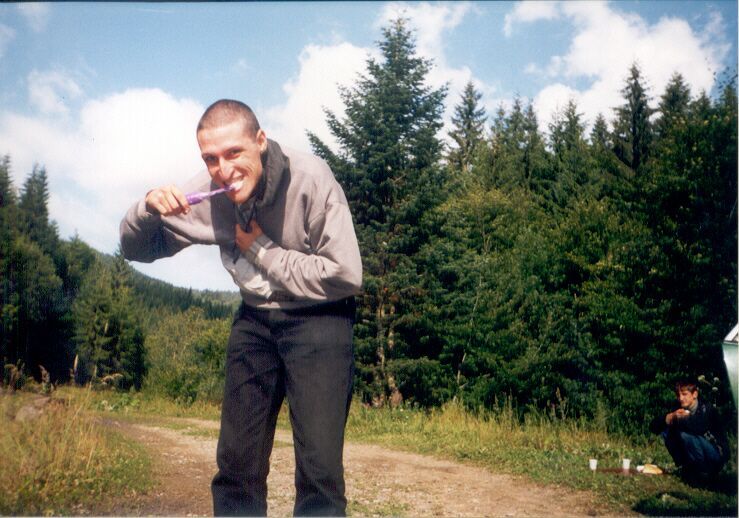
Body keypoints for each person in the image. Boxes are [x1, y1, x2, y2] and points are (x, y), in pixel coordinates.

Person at [120, 99, 362, 516]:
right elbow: (138, 249)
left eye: (234, 153)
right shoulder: (209, 190)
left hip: (321, 318)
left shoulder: (311, 178)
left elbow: (345, 274)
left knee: (319, 470)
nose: (224, 169)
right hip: (255, 319)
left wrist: (261, 251)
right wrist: (146, 208)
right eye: (211, 158)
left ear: (260, 141)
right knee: (236, 464)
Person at [650, 380, 729, 481]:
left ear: (694, 394)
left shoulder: (707, 408)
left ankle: (703, 472)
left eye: (684, 394)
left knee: (685, 435)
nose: (681, 398)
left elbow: (698, 426)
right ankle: (686, 468)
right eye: (678, 395)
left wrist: (679, 419)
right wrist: (669, 417)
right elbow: (653, 427)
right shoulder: (678, 407)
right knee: (667, 430)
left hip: (716, 453)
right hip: (699, 448)